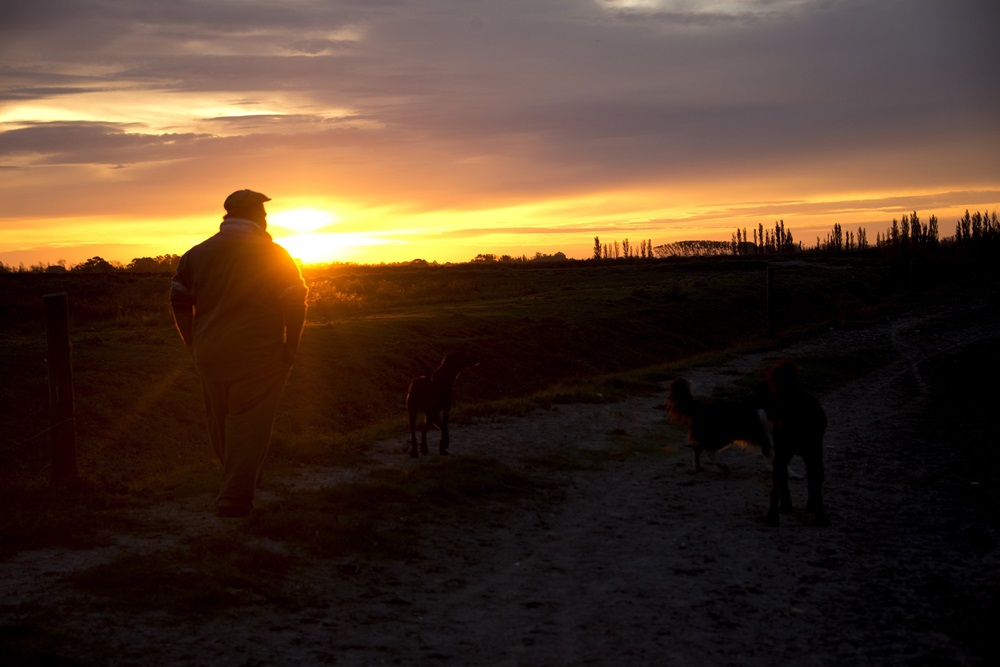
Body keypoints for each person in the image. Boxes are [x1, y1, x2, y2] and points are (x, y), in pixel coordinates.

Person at [170, 189, 307, 517]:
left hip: (210, 353)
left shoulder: (196, 254)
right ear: (257, 216)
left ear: (228, 216)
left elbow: (179, 301)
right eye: (263, 212)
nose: (266, 217)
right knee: (249, 425)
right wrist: (292, 346)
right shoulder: (274, 254)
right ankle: (235, 497)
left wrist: (193, 342)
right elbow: (294, 300)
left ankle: (239, 477)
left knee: (220, 421)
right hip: (259, 354)